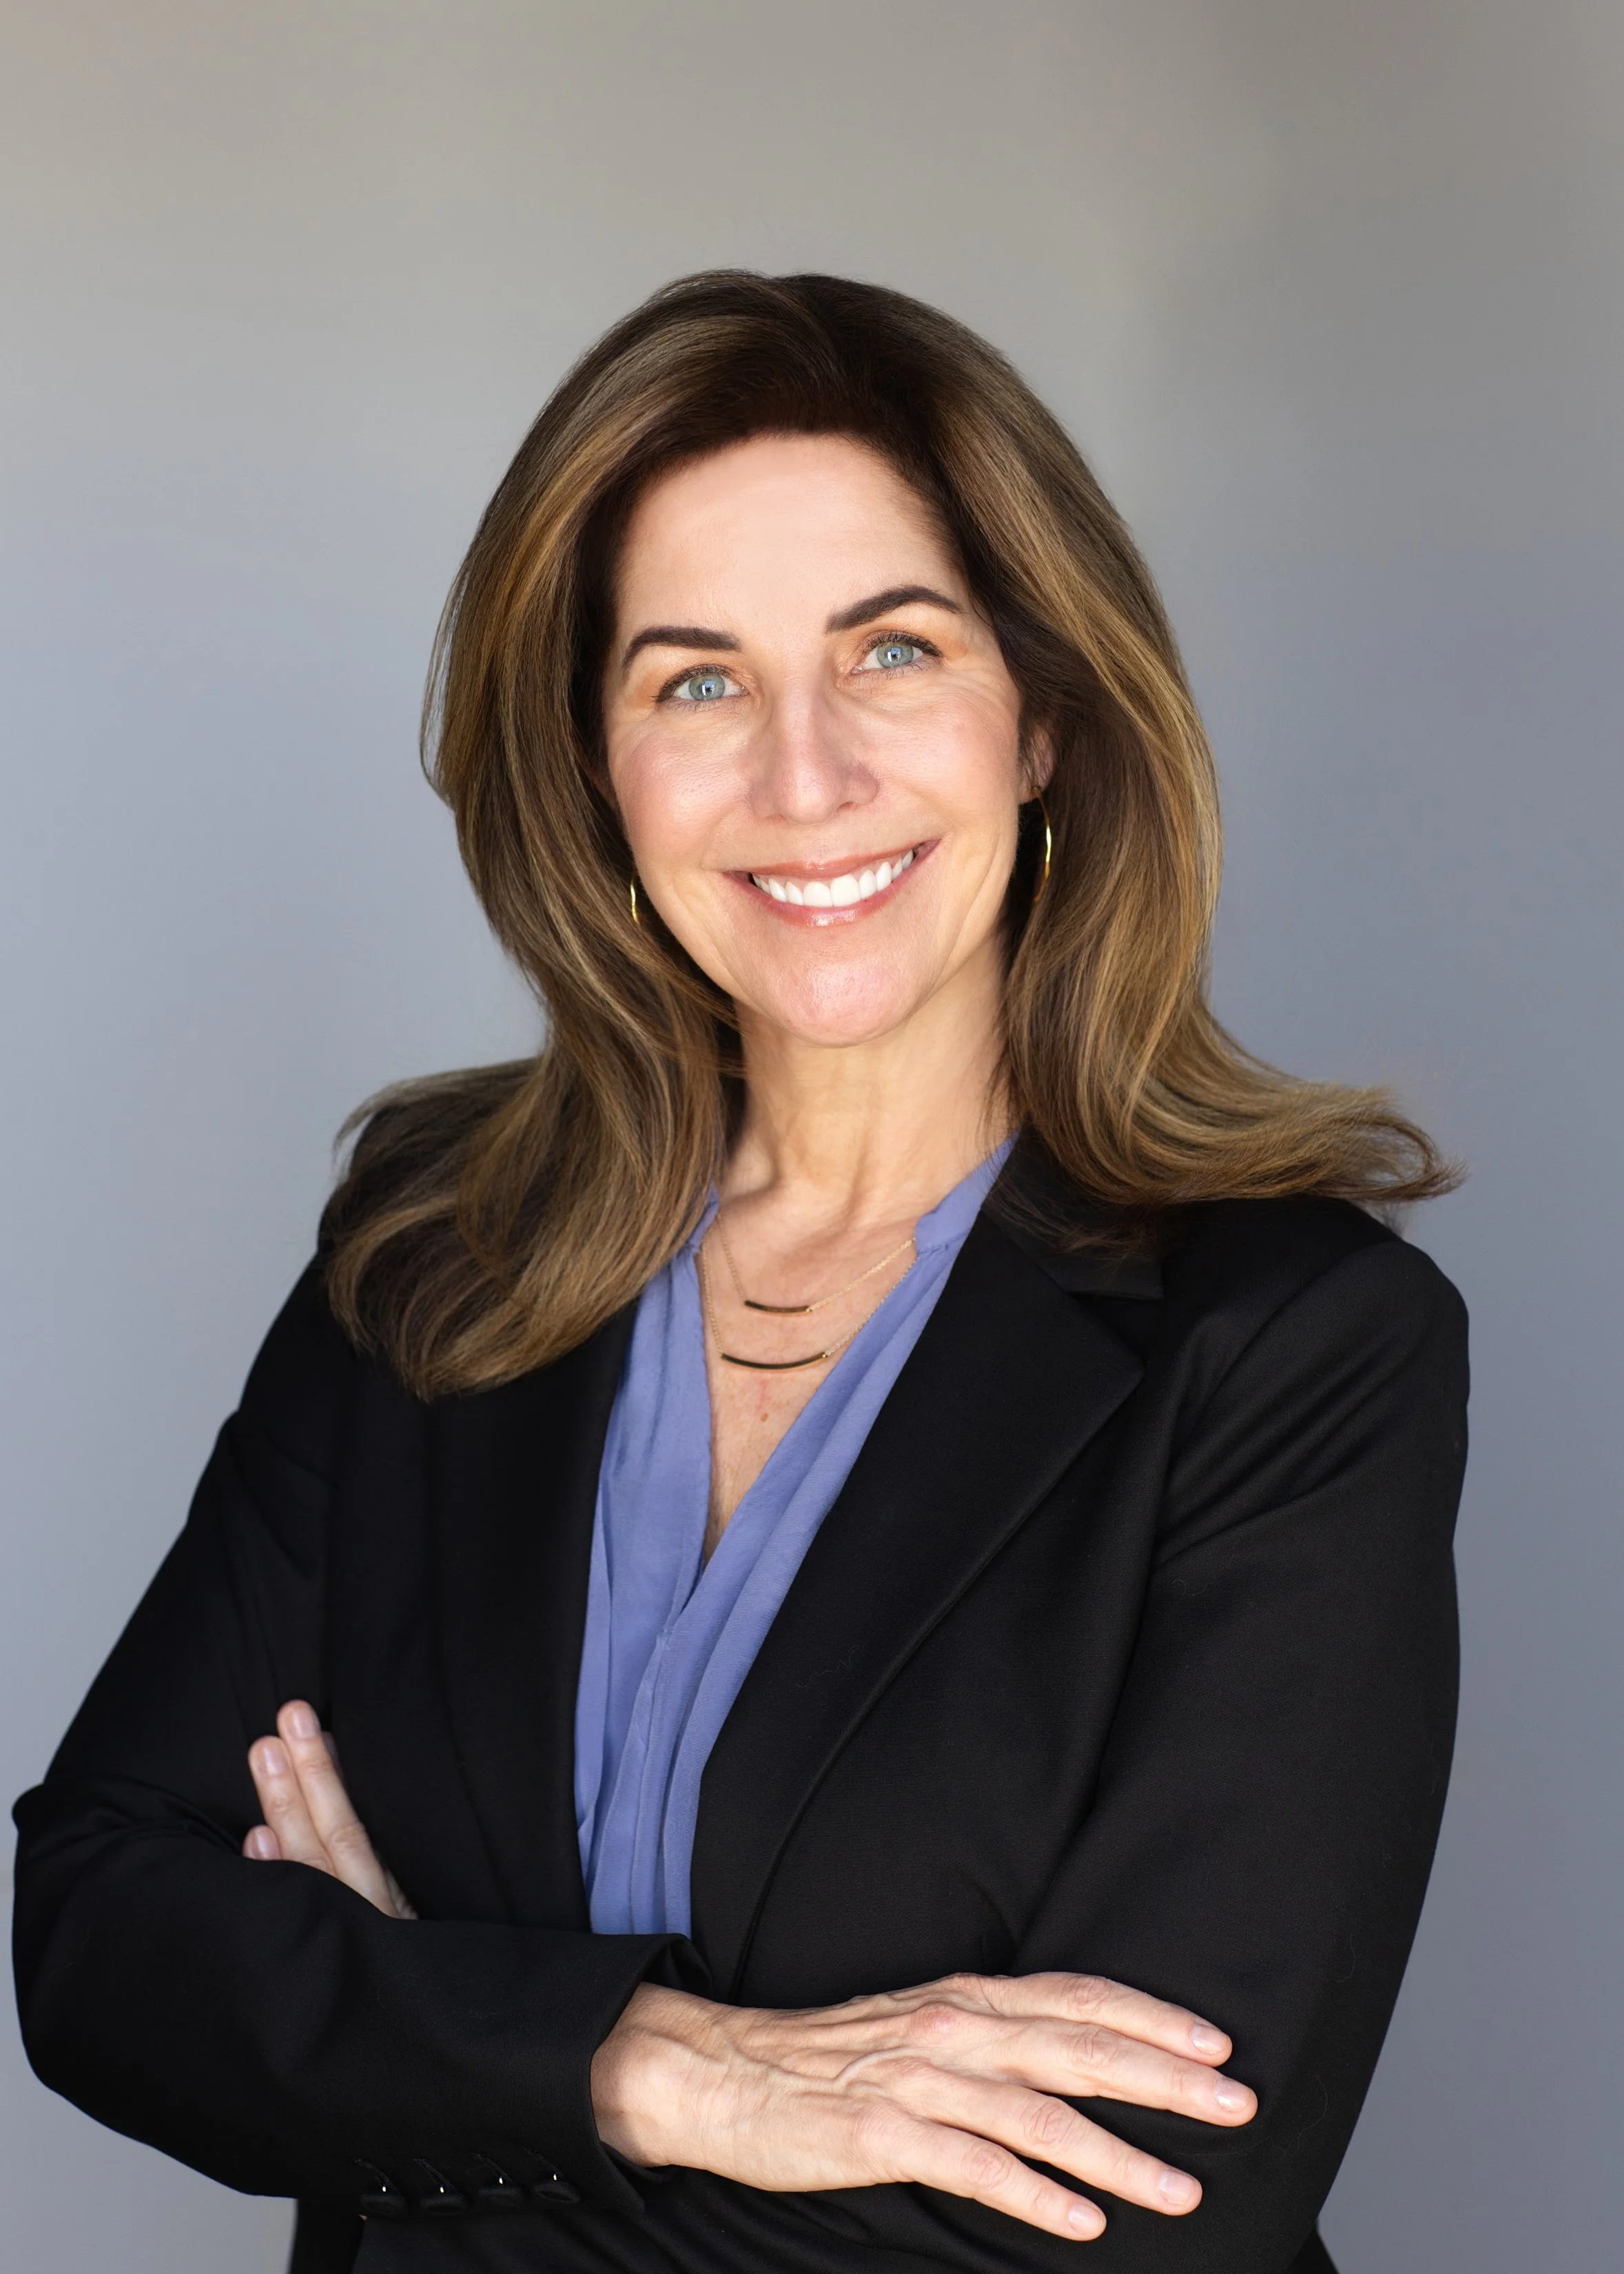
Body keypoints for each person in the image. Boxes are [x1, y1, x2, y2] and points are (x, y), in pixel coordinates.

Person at [12, 272, 1467, 2274]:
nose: (803, 776)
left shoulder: (1295, 1346)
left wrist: (422, 2044)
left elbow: (1145, 2208)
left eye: (889, 650)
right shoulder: (433, 1262)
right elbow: (97, 1929)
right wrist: (673, 2074)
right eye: (694, 679)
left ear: (1039, 713)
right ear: (595, 766)